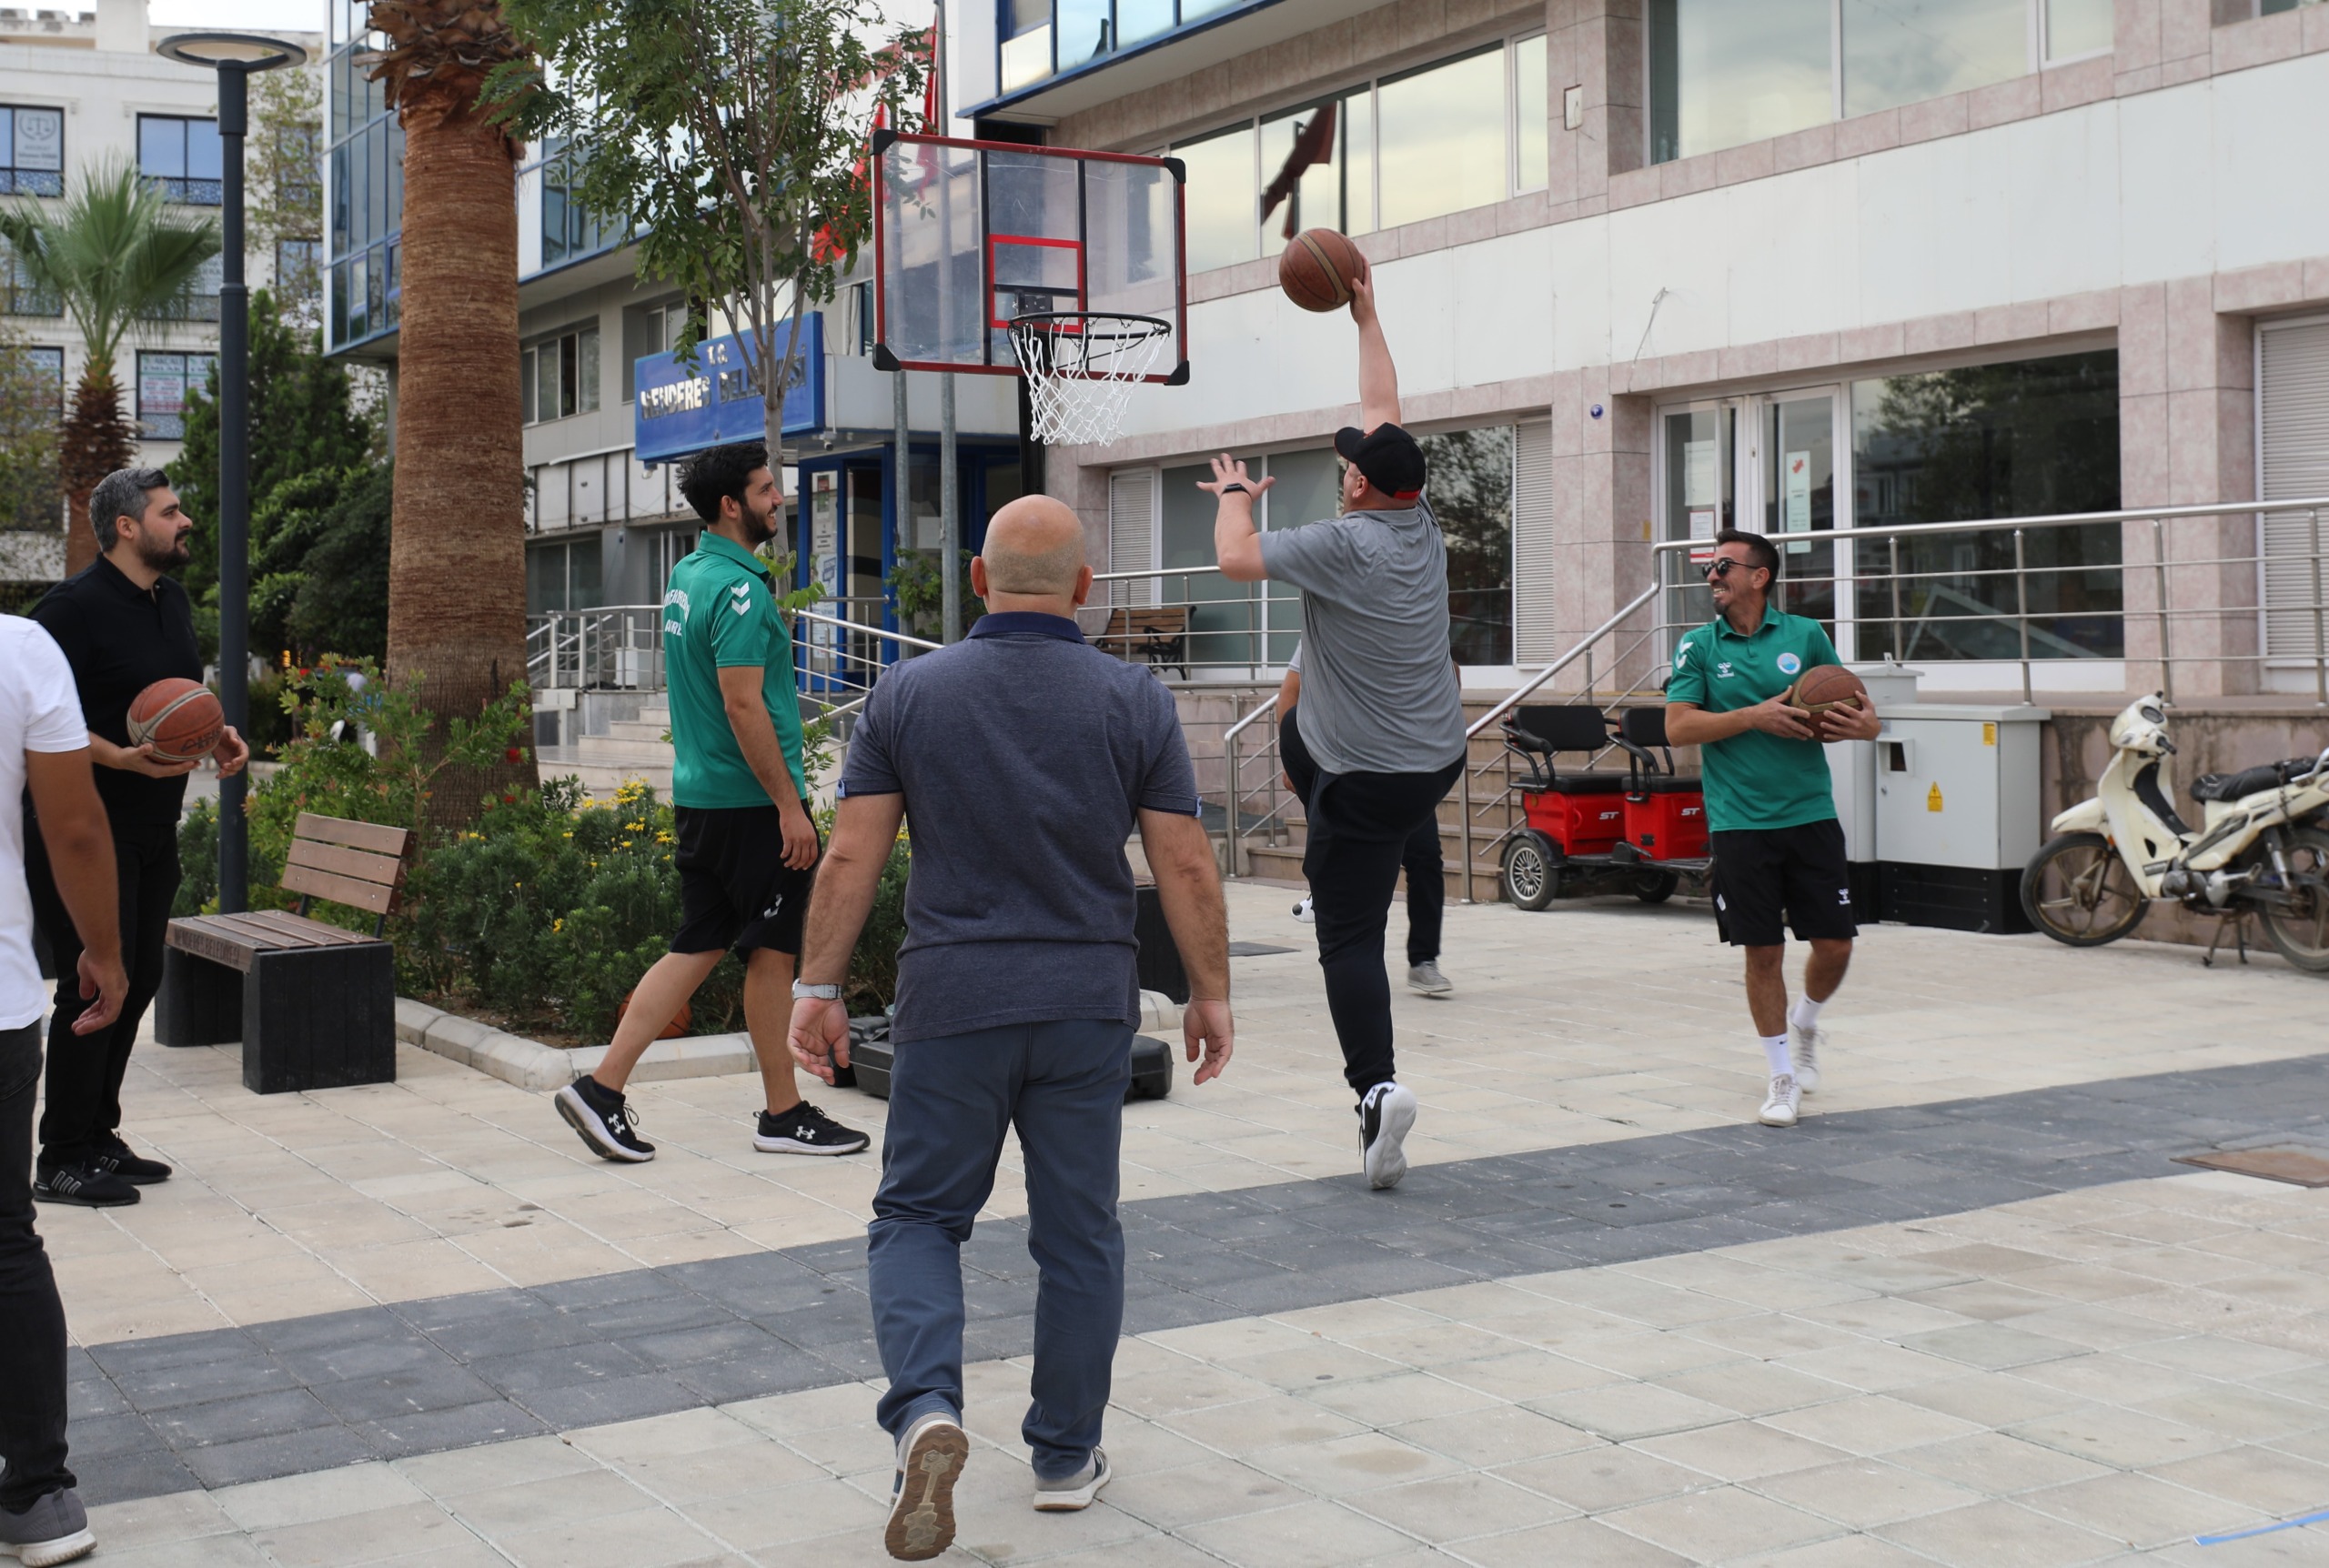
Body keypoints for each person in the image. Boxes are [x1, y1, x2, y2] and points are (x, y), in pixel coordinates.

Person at [785, 496, 1234, 1563]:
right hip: (1087, 1006)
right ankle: (1066, 1457)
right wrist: (1209, 990)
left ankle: (925, 1409)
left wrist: (817, 984)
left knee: (917, 1217)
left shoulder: (910, 691)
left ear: (979, 584)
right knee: (1078, 1233)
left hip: (953, 1004)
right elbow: (1181, 858)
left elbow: (852, 854)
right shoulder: (1132, 696)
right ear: (1084, 590)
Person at [1206, 266, 1464, 1191]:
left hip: (1361, 773)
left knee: (1348, 936)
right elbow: (1383, 402)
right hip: (1434, 760)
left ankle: (1376, 1087)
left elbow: (1236, 555)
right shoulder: (1419, 517)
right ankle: (1328, 814)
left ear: (1360, 487)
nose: (1346, 466)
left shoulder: (1344, 542)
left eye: (1350, 465)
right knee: (1297, 702)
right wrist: (1366, 314)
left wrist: (1236, 490)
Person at [553, 443, 867, 1163]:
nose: (777, 500)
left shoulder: (688, 577)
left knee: (699, 942)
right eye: (765, 490)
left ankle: (601, 1090)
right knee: (772, 951)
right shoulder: (742, 592)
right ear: (733, 505)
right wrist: (789, 807)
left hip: (702, 798)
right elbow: (742, 702)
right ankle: (783, 1114)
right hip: (752, 806)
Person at [25, 467, 247, 1208]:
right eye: (170, 511)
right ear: (127, 526)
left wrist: (214, 736)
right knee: (95, 980)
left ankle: (97, 1135)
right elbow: (33, 717)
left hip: (156, 823)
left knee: (141, 975)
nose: (185, 521)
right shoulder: (70, 610)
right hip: (87, 825)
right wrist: (117, 756)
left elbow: (174, 704)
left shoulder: (171, 600)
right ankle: (60, 1156)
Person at [1664, 528, 1881, 1129]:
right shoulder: (1698, 647)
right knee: (1762, 951)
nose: (1712, 576)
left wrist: (1862, 728)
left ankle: (1807, 1022)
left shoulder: (1805, 636)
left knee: (1835, 944)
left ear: (1759, 577)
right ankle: (1780, 1074)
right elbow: (1679, 728)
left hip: (1810, 814)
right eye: (1711, 568)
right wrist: (1754, 716)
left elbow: (1865, 716)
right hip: (1739, 822)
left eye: (1724, 567)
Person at [2, 615, 129, 1566]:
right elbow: (74, 824)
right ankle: (38, 1494)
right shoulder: (19, 649)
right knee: (4, 1233)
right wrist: (105, 951)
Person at [1276, 644, 1450, 996]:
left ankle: (1423, 961)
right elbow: (1290, 692)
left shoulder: (1409, 623)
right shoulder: (1322, 627)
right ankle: (1327, 901)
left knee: (1425, 855)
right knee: (1344, 850)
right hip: (1340, 760)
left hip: (1402, 761)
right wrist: (1290, 758)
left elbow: (1448, 677)